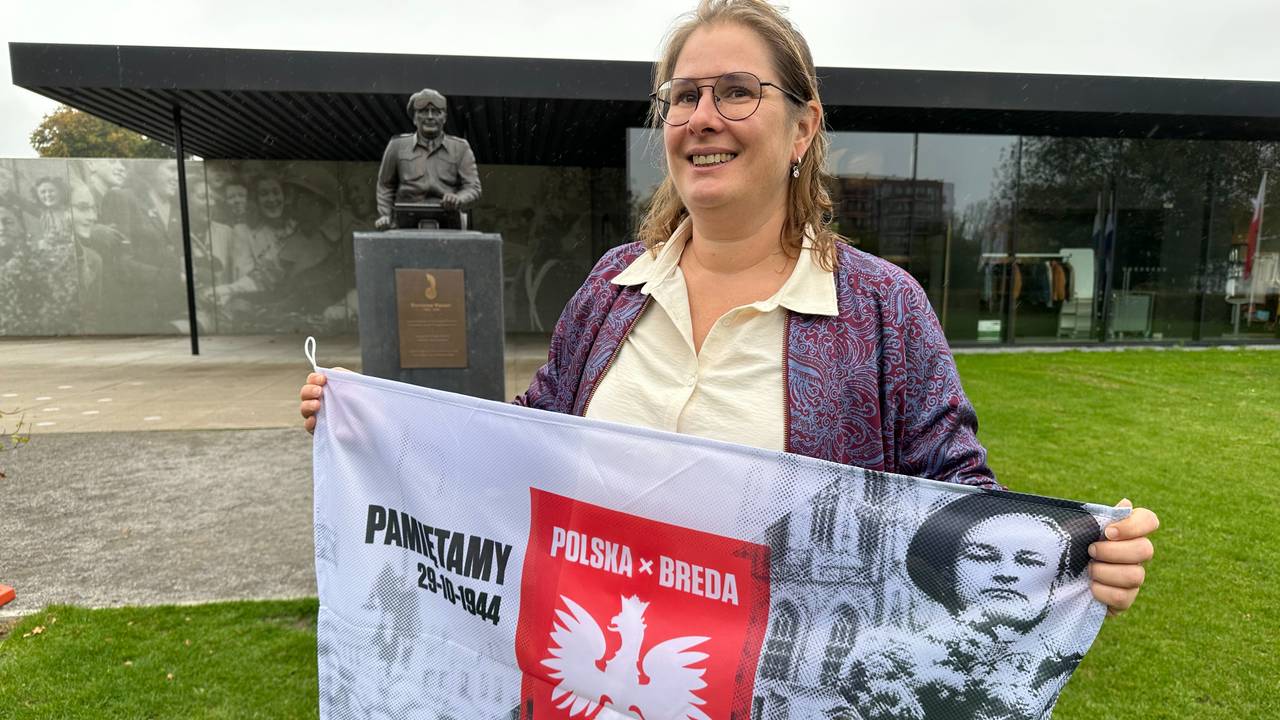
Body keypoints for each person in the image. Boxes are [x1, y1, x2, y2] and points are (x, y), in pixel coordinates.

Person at [300, 0, 1155, 617]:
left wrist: (1073, 553)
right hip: (589, 669)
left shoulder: (883, 308)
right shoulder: (611, 287)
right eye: (683, 96)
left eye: (737, 92)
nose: (703, 117)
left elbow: (954, 495)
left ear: (804, 125)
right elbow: (528, 436)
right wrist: (374, 420)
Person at [837, 494, 1104, 719]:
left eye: (1029, 561)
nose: (1005, 573)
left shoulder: (1053, 665)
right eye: (982, 557)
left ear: (1062, 579)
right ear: (948, 575)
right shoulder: (890, 664)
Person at [374, 88, 482, 229]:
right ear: (414, 118)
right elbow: (385, 185)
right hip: (405, 222)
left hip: (448, 221)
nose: (430, 117)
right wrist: (385, 216)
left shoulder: (460, 148)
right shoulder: (397, 146)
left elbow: (473, 187)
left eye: (436, 112)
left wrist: (459, 199)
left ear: (444, 118)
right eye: (424, 111)